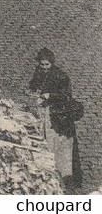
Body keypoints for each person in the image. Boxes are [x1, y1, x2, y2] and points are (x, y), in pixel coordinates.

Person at [29, 49, 83, 189]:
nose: (45, 68)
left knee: (62, 147)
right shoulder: (39, 71)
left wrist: (50, 96)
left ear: (52, 63)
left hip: (59, 116)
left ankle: (65, 178)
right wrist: (34, 91)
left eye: (47, 65)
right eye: (42, 65)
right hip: (46, 113)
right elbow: (33, 84)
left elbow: (66, 97)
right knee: (48, 142)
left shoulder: (61, 76)